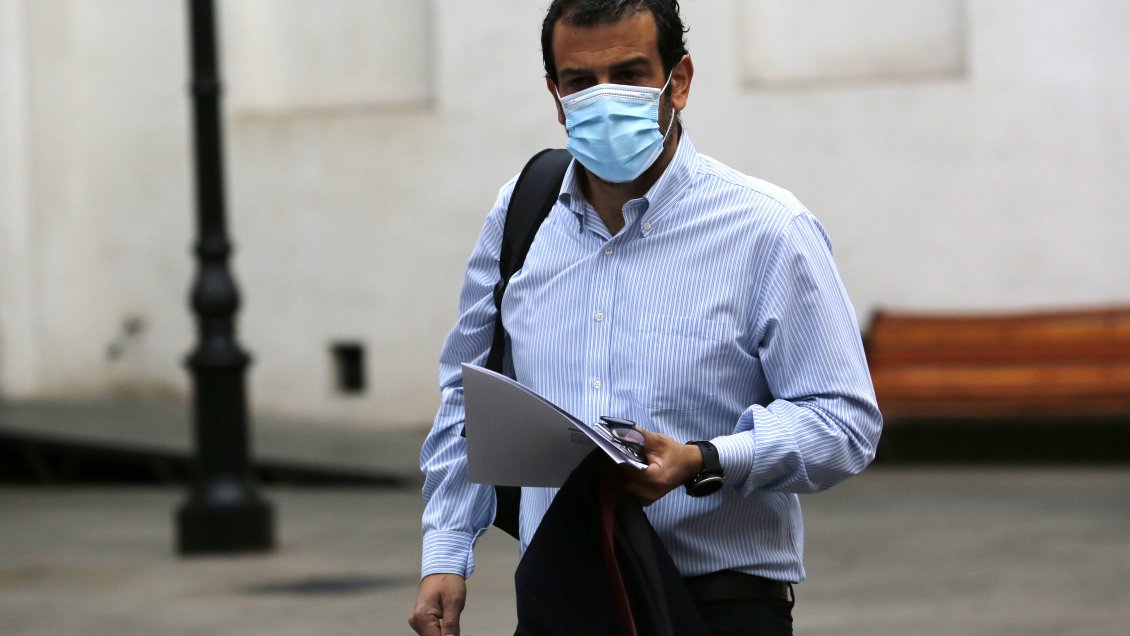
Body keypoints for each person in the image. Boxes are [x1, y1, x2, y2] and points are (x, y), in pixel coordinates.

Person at [409, 1, 883, 634]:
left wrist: (705, 459)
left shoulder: (768, 229)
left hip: (717, 603)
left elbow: (844, 422)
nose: (605, 98)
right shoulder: (522, 213)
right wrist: (446, 552)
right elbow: (468, 392)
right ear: (556, 97)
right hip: (563, 596)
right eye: (580, 81)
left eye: (630, 75)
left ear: (678, 81)